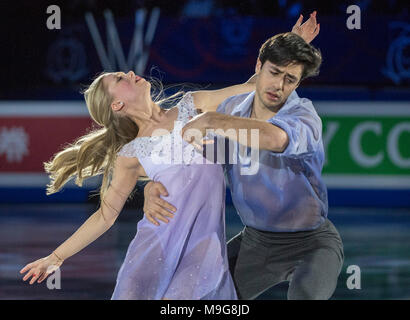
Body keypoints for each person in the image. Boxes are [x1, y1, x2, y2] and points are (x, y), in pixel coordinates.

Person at [19, 13, 319, 300]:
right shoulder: (131, 153)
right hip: (156, 250)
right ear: (117, 104)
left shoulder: (194, 104)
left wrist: (291, 45)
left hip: (204, 251)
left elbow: (252, 87)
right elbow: (105, 215)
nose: (131, 73)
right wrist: (56, 256)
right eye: (121, 78)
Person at [144, 13, 344, 300]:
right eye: (274, 73)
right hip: (256, 243)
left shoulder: (303, 115)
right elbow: (186, 160)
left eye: (290, 79)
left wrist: (213, 120)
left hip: (312, 244)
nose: (279, 86)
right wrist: (151, 185)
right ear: (258, 66)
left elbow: (274, 138)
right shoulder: (233, 107)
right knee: (186, 297)